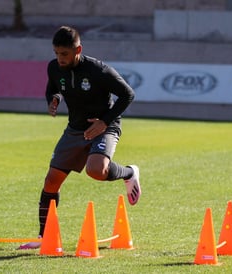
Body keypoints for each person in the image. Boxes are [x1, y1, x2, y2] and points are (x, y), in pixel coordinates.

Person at [19, 26, 141, 249]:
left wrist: (104, 121)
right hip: (75, 129)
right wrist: (53, 99)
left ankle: (130, 172)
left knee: (95, 170)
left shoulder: (98, 70)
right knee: (51, 181)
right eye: (56, 53)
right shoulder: (54, 67)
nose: (59, 58)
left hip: (104, 126)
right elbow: (52, 88)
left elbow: (127, 94)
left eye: (64, 54)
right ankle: (44, 236)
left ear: (78, 50)